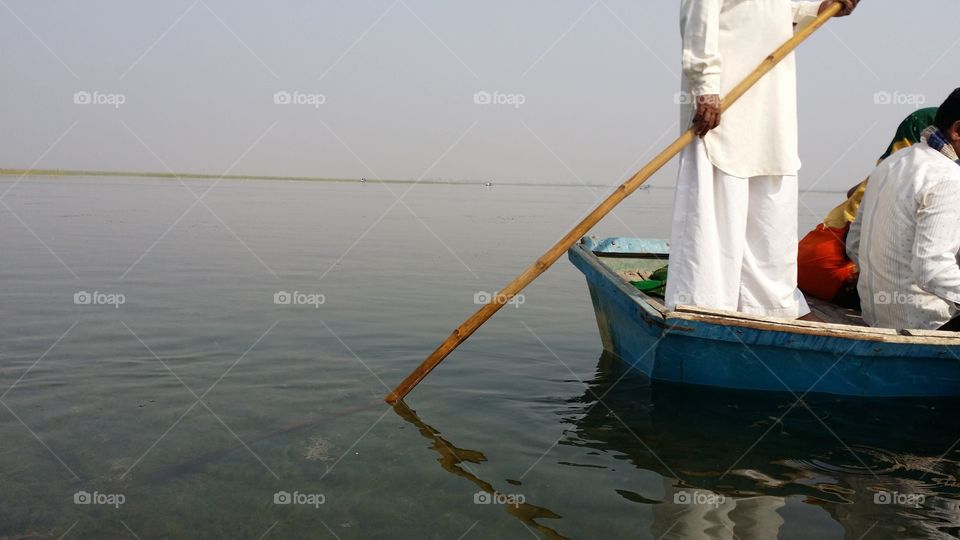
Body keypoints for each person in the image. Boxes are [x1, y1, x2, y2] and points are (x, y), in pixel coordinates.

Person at [665, 0, 858, 319]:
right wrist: (706, 88)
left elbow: (789, 10)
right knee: (717, 199)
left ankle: (771, 305)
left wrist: (825, 7)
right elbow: (699, 22)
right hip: (724, 99)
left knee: (772, 199)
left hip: (770, 101)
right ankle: (704, 303)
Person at [797, 108, 938, 308]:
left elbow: (851, 193)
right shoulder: (927, 179)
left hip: (804, 260)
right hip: (836, 275)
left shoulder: (888, 170)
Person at [847, 89, 960, 331]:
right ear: (958, 131)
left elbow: (854, 244)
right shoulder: (949, 179)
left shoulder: (891, 163)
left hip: (875, 318)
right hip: (926, 326)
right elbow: (933, 271)